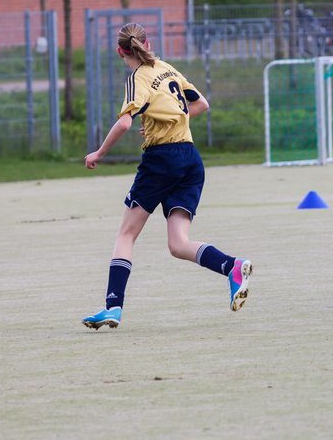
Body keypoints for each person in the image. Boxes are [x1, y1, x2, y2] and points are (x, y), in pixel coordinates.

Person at [81, 23, 252, 329]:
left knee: (126, 234)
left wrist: (98, 153)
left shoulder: (137, 78)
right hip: (190, 160)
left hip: (162, 160)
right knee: (178, 243)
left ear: (121, 51)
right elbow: (201, 104)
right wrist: (168, 120)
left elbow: (123, 124)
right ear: (147, 43)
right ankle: (232, 267)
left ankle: (112, 307)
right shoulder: (166, 68)